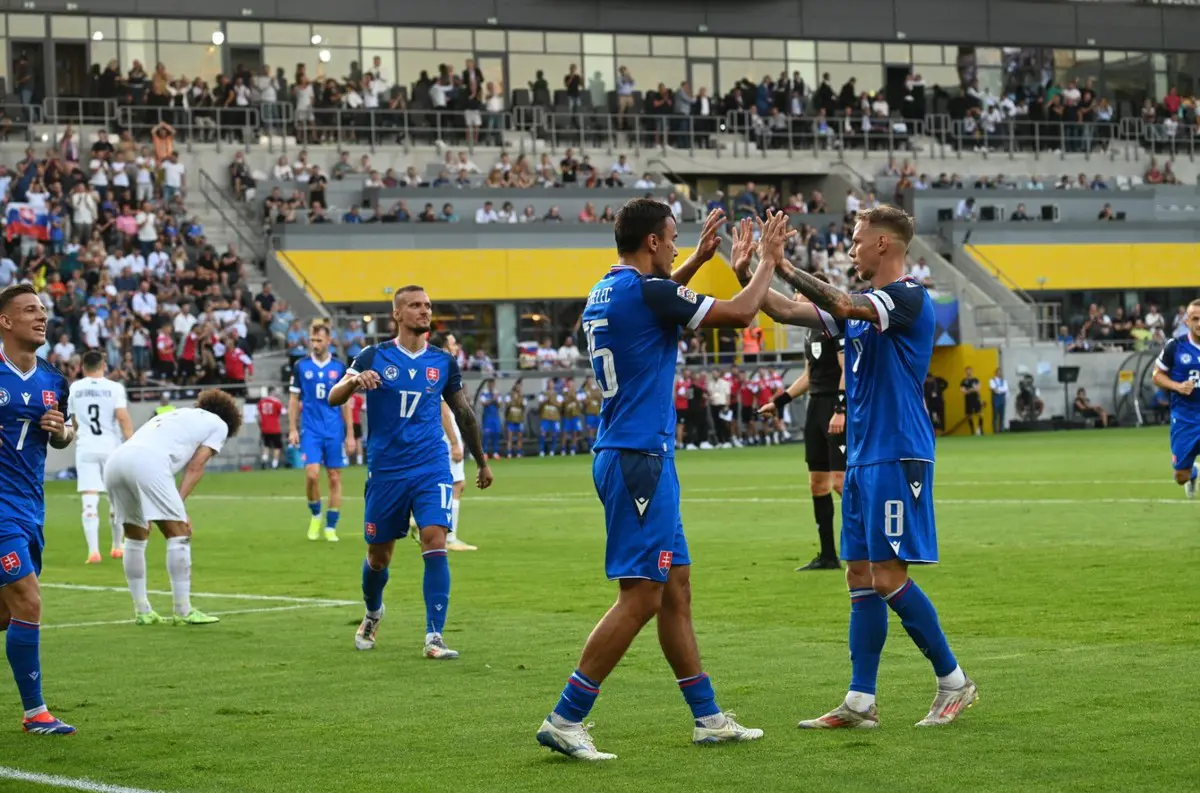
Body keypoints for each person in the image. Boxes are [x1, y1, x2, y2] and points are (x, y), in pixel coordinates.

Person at [535, 203, 783, 761]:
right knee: (642, 594)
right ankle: (566, 716)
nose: (677, 247)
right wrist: (769, 260)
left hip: (630, 452)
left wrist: (696, 261)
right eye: (673, 240)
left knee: (676, 588)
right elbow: (743, 313)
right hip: (638, 457)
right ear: (651, 240)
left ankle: (709, 717)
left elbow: (657, 302)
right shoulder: (648, 291)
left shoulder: (608, 289)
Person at [731, 206, 977, 729]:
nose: (850, 247)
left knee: (888, 577)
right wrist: (751, 269)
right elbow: (782, 311)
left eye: (857, 238)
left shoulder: (906, 297)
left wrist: (785, 264)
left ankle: (954, 680)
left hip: (897, 450)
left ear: (885, 244)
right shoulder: (861, 308)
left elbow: (841, 300)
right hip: (865, 455)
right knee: (860, 576)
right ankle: (861, 702)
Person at [329, 286, 493, 659]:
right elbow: (334, 396)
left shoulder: (443, 362)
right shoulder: (374, 355)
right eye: (416, 306)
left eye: (428, 305)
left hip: (430, 464)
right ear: (398, 314)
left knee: (434, 538)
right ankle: (373, 612)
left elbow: (463, 413)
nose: (424, 311)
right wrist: (355, 380)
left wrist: (480, 460)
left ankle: (434, 637)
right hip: (387, 470)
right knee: (378, 557)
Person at [0, 283, 77, 735]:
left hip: (32, 506)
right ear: (6, 321)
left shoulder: (54, 381)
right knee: (29, 598)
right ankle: (36, 713)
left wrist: (61, 432)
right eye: (29, 309)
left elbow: (66, 435)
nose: (41, 315)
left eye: (43, 309)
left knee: (9, 614)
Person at [106, 390, 242, 626]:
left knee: (136, 537)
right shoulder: (219, 424)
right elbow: (196, 466)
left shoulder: (178, 414)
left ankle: (143, 611)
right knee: (179, 533)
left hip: (116, 461)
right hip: (147, 463)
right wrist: (179, 503)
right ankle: (183, 610)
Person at [758, 274, 845, 572]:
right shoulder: (810, 333)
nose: (795, 296)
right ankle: (828, 555)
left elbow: (848, 371)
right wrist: (780, 401)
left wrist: (842, 410)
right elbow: (809, 377)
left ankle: (873, 545)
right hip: (815, 407)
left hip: (836, 406)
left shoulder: (834, 325)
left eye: (798, 291)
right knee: (818, 484)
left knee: (841, 484)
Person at [288, 321, 353, 542]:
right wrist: (292, 428)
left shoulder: (340, 367)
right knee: (312, 474)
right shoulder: (301, 366)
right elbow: (294, 399)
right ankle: (316, 514)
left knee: (334, 477)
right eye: (312, 340)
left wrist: (351, 434)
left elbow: (346, 403)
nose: (314, 344)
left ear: (328, 340)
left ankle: (330, 527)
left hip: (334, 430)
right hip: (311, 430)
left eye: (318, 340)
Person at [69, 350, 134, 562]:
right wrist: (132, 444)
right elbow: (122, 418)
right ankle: (117, 546)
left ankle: (93, 551)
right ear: (103, 365)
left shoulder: (75, 388)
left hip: (86, 447)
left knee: (90, 499)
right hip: (111, 448)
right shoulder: (114, 388)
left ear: (82, 367)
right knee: (116, 499)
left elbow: (74, 421)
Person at [1152, 299, 1200, 498]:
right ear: (1187, 321)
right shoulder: (1175, 346)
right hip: (1185, 417)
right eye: (1195, 318)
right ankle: (1192, 472)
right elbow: (1157, 375)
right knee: (1181, 475)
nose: (1199, 323)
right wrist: (1178, 386)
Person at [257, 387, 284, 469]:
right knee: (277, 446)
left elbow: (258, 416)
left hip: (265, 427)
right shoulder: (277, 402)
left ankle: (264, 460)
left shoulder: (261, 402)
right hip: (275, 428)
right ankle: (274, 464)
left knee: (266, 445)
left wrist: (261, 425)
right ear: (272, 392)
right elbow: (284, 412)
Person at [477, 378, 502, 459]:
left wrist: (495, 400)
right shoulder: (484, 393)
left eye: (493, 383)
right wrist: (493, 399)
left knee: (496, 433)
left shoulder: (497, 393)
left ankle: (495, 452)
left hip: (495, 416)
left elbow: (499, 405)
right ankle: (485, 452)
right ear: (488, 384)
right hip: (487, 417)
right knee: (486, 434)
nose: (491, 385)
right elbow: (484, 403)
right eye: (490, 383)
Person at [537, 382, 563, 456]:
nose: (550, 385)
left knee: (555, 433)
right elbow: (540, 404)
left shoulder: (558, 394)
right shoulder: (542, 394)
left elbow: (560, 405)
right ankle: (541, 450)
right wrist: (546, 400)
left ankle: (552, 450)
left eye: (552, 383)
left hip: (554, 418)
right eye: (549, 383)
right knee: (543, 433)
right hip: (545, 417)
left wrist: (551, 400)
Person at [504, 384, 526, 458]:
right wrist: (513, 399)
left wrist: (520, 398)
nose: (519, 388)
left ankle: (519, 453)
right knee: (509, 437)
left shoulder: (522, 397)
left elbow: (524, 406)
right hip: (511, 419)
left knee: (520, 437)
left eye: (520, 387)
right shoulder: (509, 396)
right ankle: (509, 453)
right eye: (517, 387)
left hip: (519, 419)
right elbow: (507, 405)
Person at [582, 375, 603, 449]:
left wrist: (592, 396)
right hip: (589, 412)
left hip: (597, 411)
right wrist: (593, 397)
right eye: (589, 380)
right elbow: (584, 401)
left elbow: (600, 397)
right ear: (587, 381)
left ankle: (598, 445)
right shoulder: (584, 389)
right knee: (590, 429)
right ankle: (591, 446)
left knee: (599, 429)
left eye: (591, 380)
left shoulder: (596, 389)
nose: (590, 381)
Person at [961, 367, 983, 435]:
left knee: (980, 414)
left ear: (972, 371)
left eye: (970, 371)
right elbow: (963, 391)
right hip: (968, 400)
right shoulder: (963, 381)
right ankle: (972, 431)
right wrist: (972, 389)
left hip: (976, 399)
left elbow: (978, 389)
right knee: (969, 415)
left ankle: (980, 429)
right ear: (965, 372)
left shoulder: (976, 380)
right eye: (967, 371)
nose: (969, 372)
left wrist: (969, 390)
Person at [989, 368, 1008, 434]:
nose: (1000, 373)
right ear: (996, 373)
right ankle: (995, 430)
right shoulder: (992, 380)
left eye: (1001, 372)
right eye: (998, 372)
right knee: (995, 415)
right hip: (996, 399)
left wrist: (999, 389)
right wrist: (1000, 390)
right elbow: (994, 390)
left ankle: (1001, 429)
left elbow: (1005, 389)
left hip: (1002, 399)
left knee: (1002, 415)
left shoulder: (1004, 381)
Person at [350, 390, 366, 465]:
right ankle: (359, 459)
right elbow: (364, 408)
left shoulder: (347, 397)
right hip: (356, 421)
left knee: (344, 440)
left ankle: (346, 459)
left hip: (347, 422)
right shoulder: (359, 398)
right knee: (358, 440)